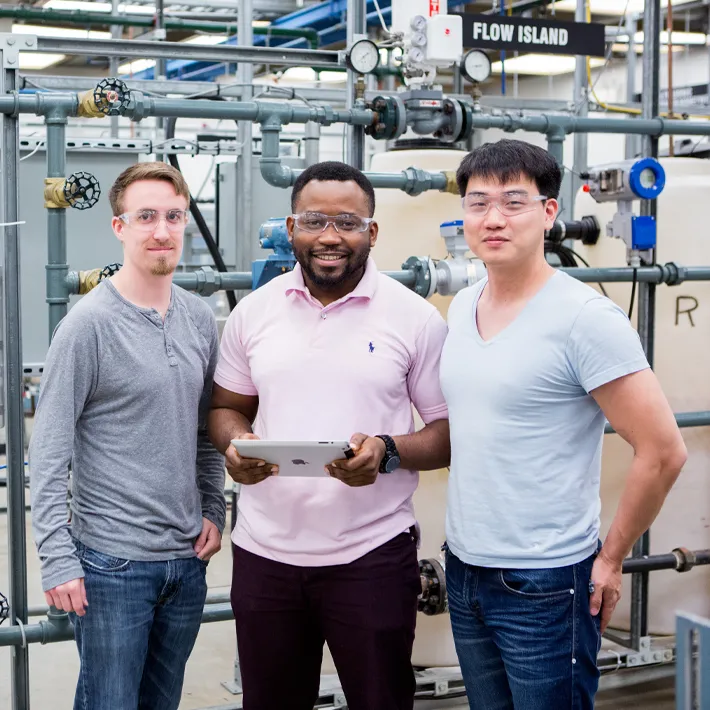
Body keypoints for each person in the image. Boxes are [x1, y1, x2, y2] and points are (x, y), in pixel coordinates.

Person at [439, 139, 687, 710]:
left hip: (546, 582)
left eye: (514, 202)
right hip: (466, 569)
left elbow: (663, 450)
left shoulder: (584, 319)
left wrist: (612, 557)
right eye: (478, 203)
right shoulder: (462, 306)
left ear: (550, 214)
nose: (493, 218)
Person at [208, 160, 451, 710]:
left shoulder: (415, 320)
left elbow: (447, 434)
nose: (330, 237)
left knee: (381, 700)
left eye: (348, 222)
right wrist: (234, 446)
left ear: (372, 232)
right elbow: (227, 407)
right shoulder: (254, 314)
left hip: (371, 555)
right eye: (315, 221)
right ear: (291, 228)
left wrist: (388, 452)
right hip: (265, 556)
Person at [29, 162, 226, 710]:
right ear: (120, 228)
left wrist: (214, 508)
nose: (161, 231)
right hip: (113, 565)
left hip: (186, 562)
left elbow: (204, 430)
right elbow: (48, 450)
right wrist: (57, 557)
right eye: (146, 217)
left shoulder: (197, 318)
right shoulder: (88, 324)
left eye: (173, 217)